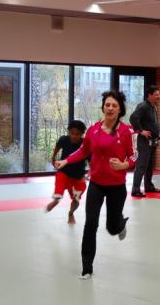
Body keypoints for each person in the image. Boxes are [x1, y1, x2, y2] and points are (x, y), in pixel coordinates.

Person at [56, 90, 137, 280]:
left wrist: (124, 164)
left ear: (120, 110)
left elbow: (135, 156)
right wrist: (66, 161)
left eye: (114, 106)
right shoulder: (93, 130)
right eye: (107, 105)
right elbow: (83, 151)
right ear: (103, 107)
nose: (110, 108)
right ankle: (86, 268)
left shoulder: (126, 132)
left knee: (111, 228)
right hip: (96, 185)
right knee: (90, 224)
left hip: (116, 186)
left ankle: (120, 224)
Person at [45, 120, 87, 225]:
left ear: (82, 134)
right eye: (72, 133)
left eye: (77, 134)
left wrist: (91, 172)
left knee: (76, 200)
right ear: (68, 132)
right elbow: (57, 148)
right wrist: (53, 158)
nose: (74, 136)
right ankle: (56, 200)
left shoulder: (85, 144)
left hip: (78, 176)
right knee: (58, 191)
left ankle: (71, 213)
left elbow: (91, 160)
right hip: (63, 172)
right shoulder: (63, 140)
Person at [130, 85, 160, 197]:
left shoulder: (153, 106)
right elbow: (133, 118)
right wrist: (141, 131)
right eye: (156, 94)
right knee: (142, 165)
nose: (159, 96)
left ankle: (148, 186)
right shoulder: (143, 106)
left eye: (159, 94)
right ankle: (135, 189)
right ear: (149, 95)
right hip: (144, 141)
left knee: (149, 165)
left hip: (153, 141)